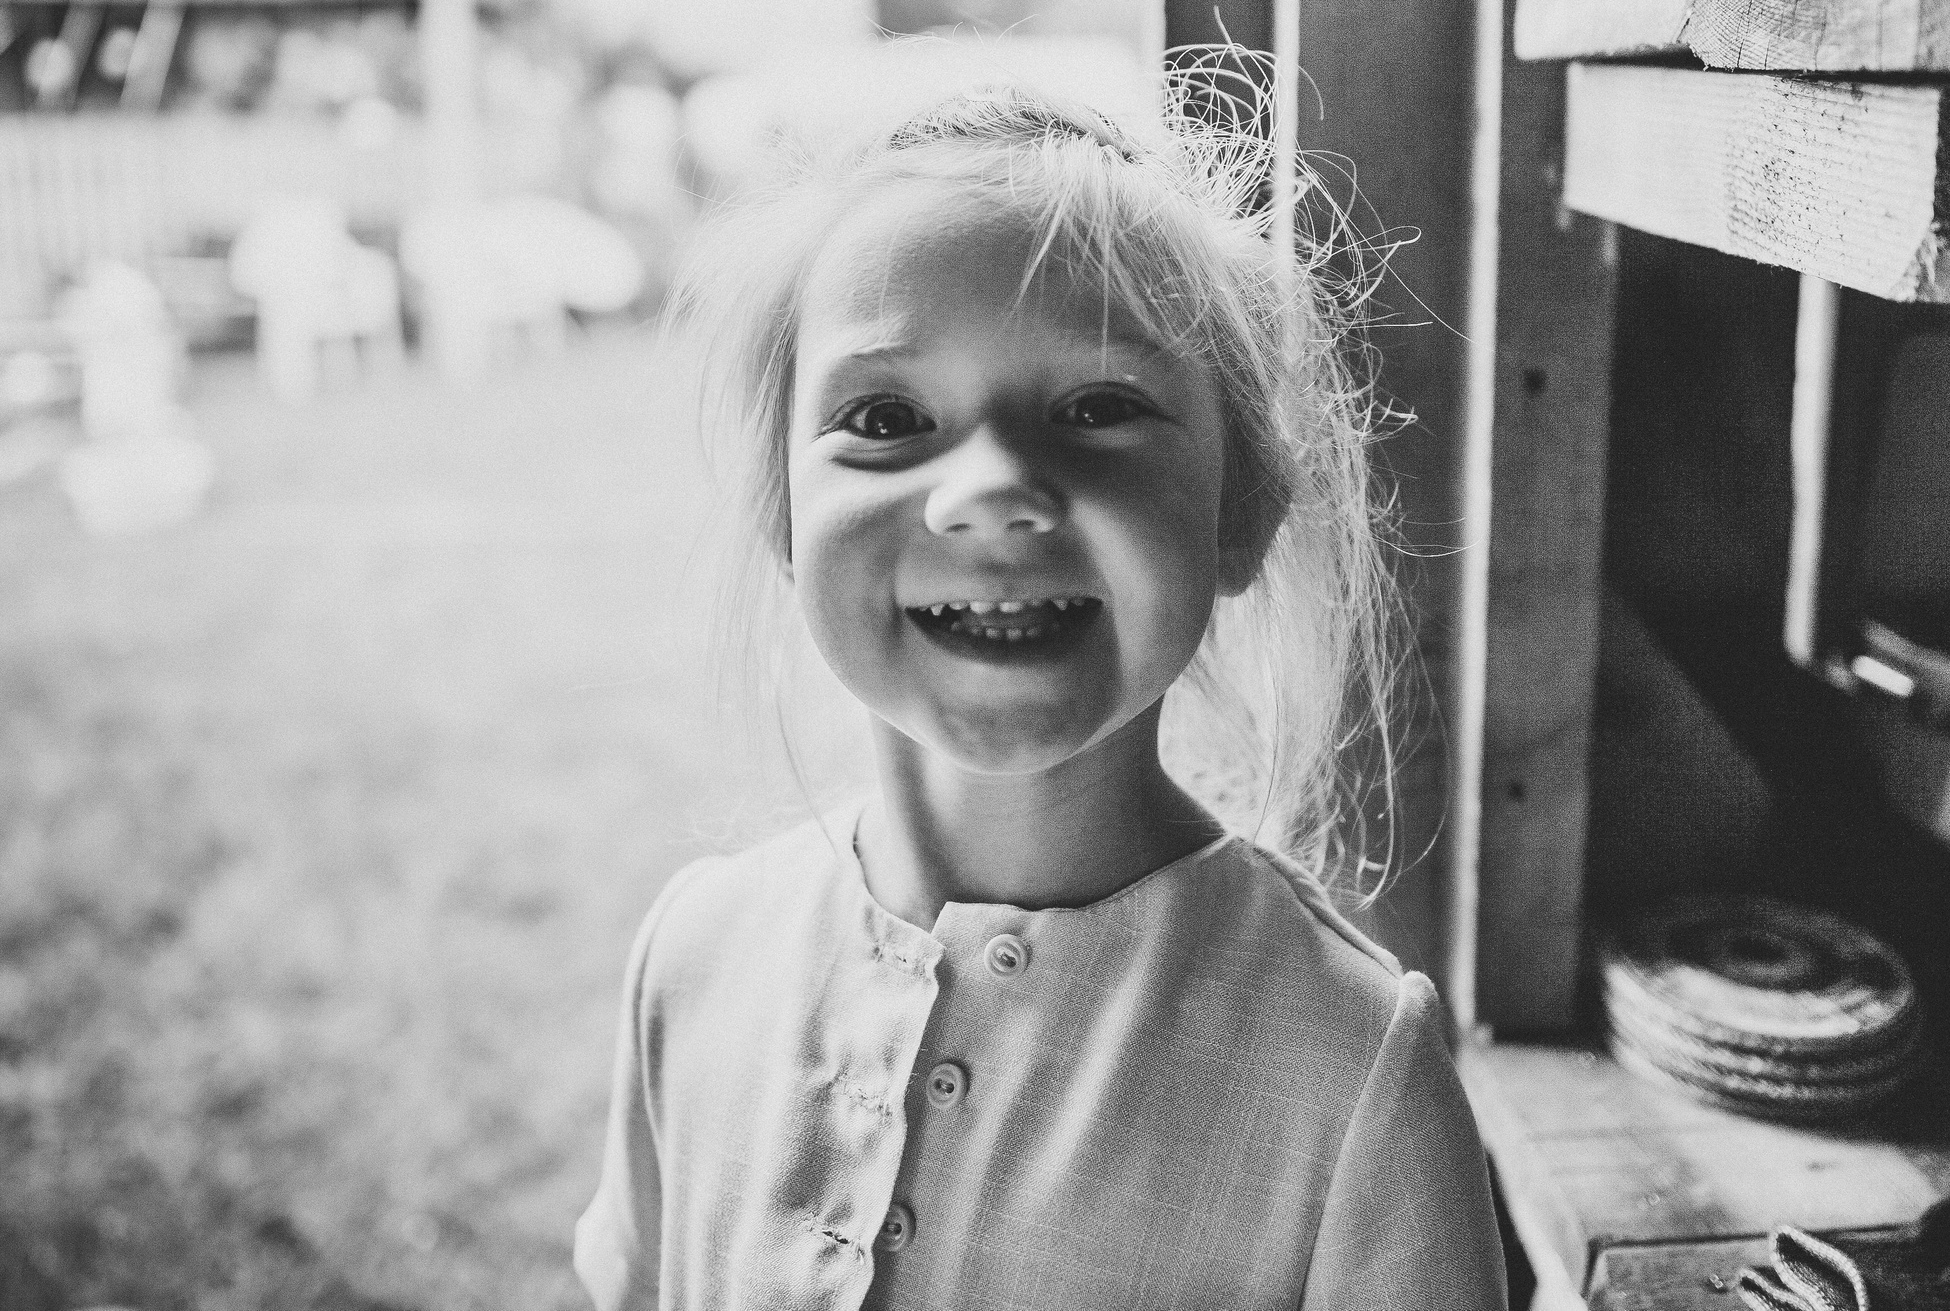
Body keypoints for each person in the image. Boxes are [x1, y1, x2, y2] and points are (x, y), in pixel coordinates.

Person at [575, 83, 1506, 1310]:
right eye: (886, 417)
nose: (993, 489)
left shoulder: (1348, 1070)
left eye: (1098, 408)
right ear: (780, 515)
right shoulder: (693, 959)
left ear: (1245, 510)